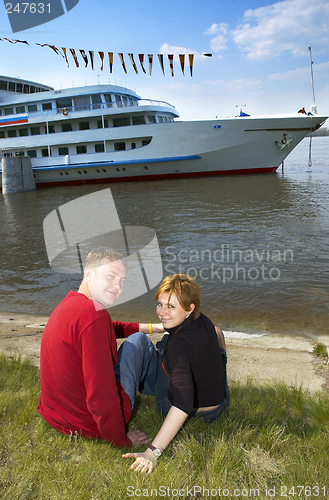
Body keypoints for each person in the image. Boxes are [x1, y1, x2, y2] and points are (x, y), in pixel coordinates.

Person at [37, 248, 164, 448]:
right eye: (111, 276)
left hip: (58, 416)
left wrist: (152, 327)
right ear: (89, 274)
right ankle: (170, 394)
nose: (118, 286)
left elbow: (110, 328)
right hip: (87, 423)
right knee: (139, 342)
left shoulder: (70, 305)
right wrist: (121, 440)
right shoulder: (93, 316)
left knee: (140, 335)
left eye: (122, 280)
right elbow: (100, 393)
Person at [123, 273, 229, 474]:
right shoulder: (204, 321)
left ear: (189, 309)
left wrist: (153, 452)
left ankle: (120, 405)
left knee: (141, 341)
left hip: (188, 411)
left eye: (171, 307)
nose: (162, 312)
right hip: (219, 406)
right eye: (160, 304)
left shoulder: (178, 347)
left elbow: (183, 402)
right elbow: (218, 335)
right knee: (216, 332)